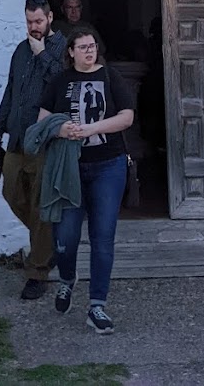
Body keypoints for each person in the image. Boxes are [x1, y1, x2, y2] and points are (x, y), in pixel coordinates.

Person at [37, 23, 135, 335]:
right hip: (70, 170)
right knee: (65, 239)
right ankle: (67, 278)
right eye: (83, 47)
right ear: (71, 52)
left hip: (108, 165)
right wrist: (61, 128)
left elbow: (127, 116)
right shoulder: (60, 80)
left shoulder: (110, 76)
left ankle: (97, 306)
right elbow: (42, 120)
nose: (90, 51)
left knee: (102, 237)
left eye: (92, 46)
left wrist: (92, 129)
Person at [0, 0, 66, 300]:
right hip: (17, 138)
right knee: (11, 192)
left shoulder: (61, 48)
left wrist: (42, 54)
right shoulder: (20, 51)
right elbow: (11, 90)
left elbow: (61, 84)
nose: (33, 27)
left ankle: (37, 272)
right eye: (29, 21)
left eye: (38, 21)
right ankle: (48, 243)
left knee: (39, 204)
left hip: (44, 141)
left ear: (49, 19)